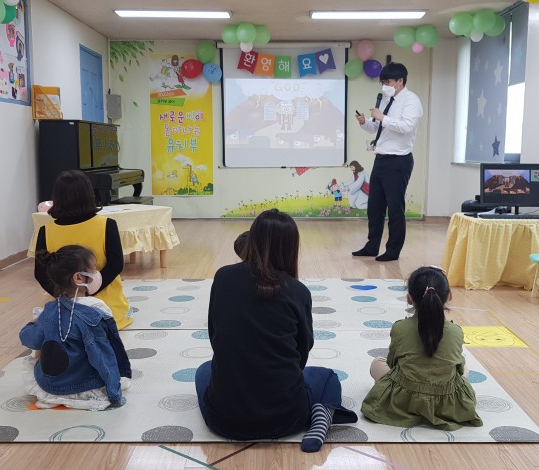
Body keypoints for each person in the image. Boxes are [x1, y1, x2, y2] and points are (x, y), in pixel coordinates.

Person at [195, 209, 357, 452]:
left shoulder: (223, 277)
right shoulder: (298, 291)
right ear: (291, 247)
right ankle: (323, 413)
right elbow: (302, 352)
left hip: (224, 421)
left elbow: (215, 334)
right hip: (286, 419)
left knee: (204, 371)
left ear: (253, 238)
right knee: (328, 377)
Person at [361, 266, 483, 430]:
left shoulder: (400, 328)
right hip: (445, 404)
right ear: (450, 296)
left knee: (377, 363)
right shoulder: (456, 332)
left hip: (403, 401)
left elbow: (392, 363)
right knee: (464, 366)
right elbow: (459, 370)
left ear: (409, 298)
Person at [20, 245, 131, 411]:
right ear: (79, 278)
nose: (97, 274)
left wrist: (35, 322)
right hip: (83, 385)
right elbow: (102, 356)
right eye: (93, 270)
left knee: (41, 348)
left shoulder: (50, 310)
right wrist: (114, 394)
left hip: (50, 385)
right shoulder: (95, 312)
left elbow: (30, 339)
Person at [34, 170, 132, 329]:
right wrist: (90, 292)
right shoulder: (107, 224)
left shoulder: (45, 231)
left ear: (57, 198)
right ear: (88, 194)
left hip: (66, 311)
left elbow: (40, 272)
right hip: (107, 308)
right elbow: (116, 264)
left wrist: (65, 296)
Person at [353, 62, 424, 261]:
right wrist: (365, 122)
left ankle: (393, 251)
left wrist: (383, 117)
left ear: (400, 81)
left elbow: (407, 127)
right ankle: (371, 246)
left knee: (395, 208)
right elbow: (376, 128)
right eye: (382, 81)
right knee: (374, 207)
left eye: (388, 81)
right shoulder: (386, 99)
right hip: (381, 159)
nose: (384, 85)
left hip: (399, 161)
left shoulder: (411, 101)